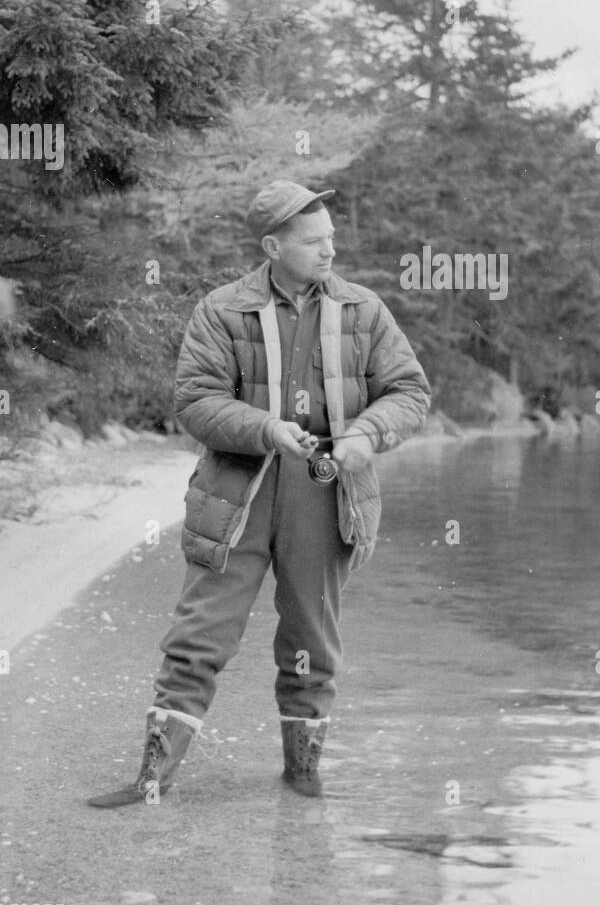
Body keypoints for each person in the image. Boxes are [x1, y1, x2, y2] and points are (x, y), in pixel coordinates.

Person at [88, 179, 431, 806]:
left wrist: (366, 434)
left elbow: (410, 392)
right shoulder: (221, 309)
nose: (331, 251)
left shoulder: (363, 310)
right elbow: (194, 403)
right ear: (272, 246)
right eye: (315, 242)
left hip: (329, 496)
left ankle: (302, 778)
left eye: (332, 238)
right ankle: (151, 780)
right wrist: (267, 428)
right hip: (234, 495)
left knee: (312, 640)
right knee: (199, 637)